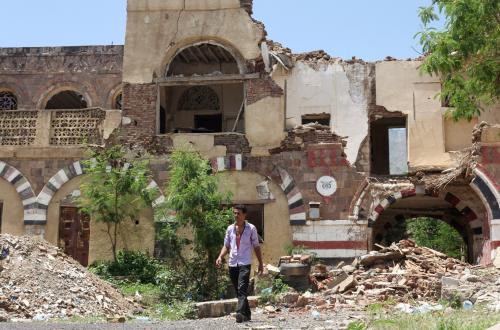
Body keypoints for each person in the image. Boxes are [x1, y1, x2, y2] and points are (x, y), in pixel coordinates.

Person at [216, 204, 263, 323]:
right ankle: (247, 314)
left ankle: (240, 313)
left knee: (242, 288)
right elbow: (226, 246)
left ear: (244, 215)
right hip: (233, 263)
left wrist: (261, 263)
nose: (236, 215)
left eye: (238, 213)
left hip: (245, 263)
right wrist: (220, 257)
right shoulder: (230, 229)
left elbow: (257, 247)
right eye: (235, 213)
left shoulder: (251, 228)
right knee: (238, 290)